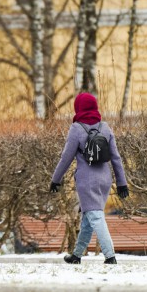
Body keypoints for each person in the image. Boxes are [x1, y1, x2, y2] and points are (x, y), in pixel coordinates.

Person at [50, 92, 129, 264]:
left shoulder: (77, 129)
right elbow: (116, 157)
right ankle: (77, 255)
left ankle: (110, 257)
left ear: (78, 107)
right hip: (105, 180)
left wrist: (55, 179)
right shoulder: (105, 128)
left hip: (87, 181)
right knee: (88, 216)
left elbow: (66, 157)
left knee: (95, 215)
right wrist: (122, 183)